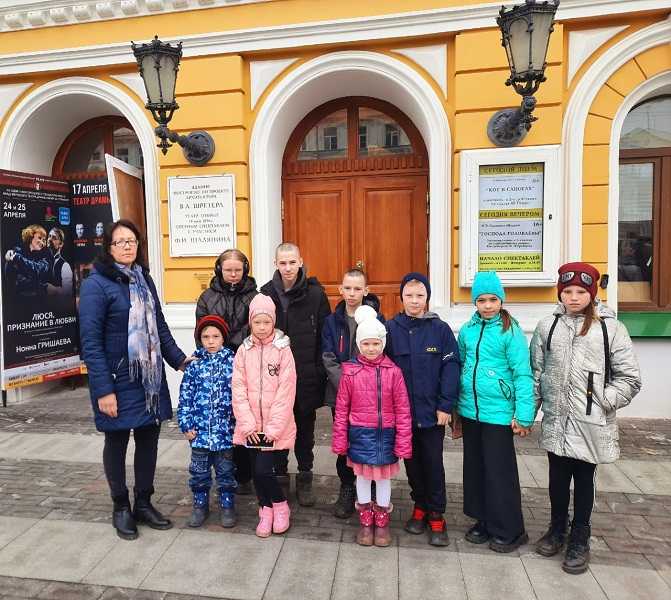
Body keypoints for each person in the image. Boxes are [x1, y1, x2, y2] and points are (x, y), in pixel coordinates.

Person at [79, 219, 190, 541]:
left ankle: (143, 503)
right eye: (121, 242)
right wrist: (103, 390)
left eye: (132, 241)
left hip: (148, 379)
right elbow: (91, 342)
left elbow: (160, 326)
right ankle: (120, 507)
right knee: (116, 440)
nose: (128, 246)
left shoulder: (144, 278)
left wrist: (180, 360)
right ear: (109, 248)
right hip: (115, 379)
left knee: (148, 441)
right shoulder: (95, 284)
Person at [531, 262, 642, 574]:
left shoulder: (610, 328)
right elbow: (536, 373)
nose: (574, 297)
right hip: (556, 419)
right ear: (560, 293)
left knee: (583, 480)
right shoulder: (547, 326)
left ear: (592, 293)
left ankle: (580, 534)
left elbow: (629, 379)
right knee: (556, 479)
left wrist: (601, 400)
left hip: (590, 420)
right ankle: (557, 528)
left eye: (581, 291)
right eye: (568, 291)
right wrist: (528, 414)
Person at [457, 271, 535, 553]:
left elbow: (523, 374)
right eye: (481, 300)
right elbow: (462, 365)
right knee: (476, 469)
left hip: (499, 413)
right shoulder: (467, 330)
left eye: (493, 299)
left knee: (499, 472)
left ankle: (511, 529)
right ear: (474, 302)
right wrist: (456, 406)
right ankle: (484, 521)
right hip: (471, 411)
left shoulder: (509, 330)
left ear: (501, 300)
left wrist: (524, 414)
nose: (487, 305)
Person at [385, 272, 460, 546]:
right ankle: (420, 507)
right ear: (401, 297)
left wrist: (445, 405)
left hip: (432, 415)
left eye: (420, 296)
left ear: (427, 298)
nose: (414, 301)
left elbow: (451, 367)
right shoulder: (392, 329)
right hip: (403, 415)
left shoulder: (439, 330)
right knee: (412, 464)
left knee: (433, 465)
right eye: (409, 296)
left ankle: (437, 516)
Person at [332, 305, 412, 547]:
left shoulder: (394, 372)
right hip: (360, 435)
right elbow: (342, 409)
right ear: (358, 344)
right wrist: (340, 439)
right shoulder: (350, 372)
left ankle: (382, 523)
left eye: (375, 343)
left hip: (385, 435)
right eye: (366, 343)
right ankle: (366, 522)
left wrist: (403, 442)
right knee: (363, 479)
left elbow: (403, 410)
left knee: (384, 481)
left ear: (383, 344)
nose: (371, 348)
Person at [260, 242, 330, 506]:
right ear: (276, 264)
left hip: (305, 376)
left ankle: (305, 477)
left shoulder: (315, 294)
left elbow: (325, 335)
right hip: (274, 378)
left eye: (292, 262)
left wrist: (318, 371)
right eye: (282, 262)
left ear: (300, 261)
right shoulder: (265, 294)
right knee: (276, 427)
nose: (288, 268)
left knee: (304, 431)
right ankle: (280, 476)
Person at [232, 294, 297, 538]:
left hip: (273, 426)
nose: (261, 327)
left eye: (266, 322)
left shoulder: (282, 350)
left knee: (263, 470)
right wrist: (246, 422)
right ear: (250, 322)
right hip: (250, 426)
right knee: (255, 471)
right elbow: (238, 387)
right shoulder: (243, 350)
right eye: (257, 322)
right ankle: (265, 509)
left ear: (274, 322)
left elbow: (287, 389)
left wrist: (274, 427)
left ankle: (280, 506)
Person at [322, 268, 384, 518]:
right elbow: (328, 356)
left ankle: (367, 488)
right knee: (345, 441)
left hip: (369, 395)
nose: (352, 293)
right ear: (340, 289)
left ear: (366, 291)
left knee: (367, 439)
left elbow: (381, 353)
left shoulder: (378, 320)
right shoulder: (331, 321)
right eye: (347, 288)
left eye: (358, 288)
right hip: (341, 393)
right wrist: (348, 386)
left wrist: (366, 387)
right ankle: (347, 486)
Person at [196, 249, 258, 494]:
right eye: (228, 269)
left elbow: (256, 326)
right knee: (221, 419)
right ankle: (224, 472)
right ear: (219, 269)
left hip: (246, 364)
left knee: (244, 418)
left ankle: (245, 475)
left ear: (245, 270)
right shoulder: (207, 297)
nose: (233, 274)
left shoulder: (255, 296)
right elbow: (203, 329)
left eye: (238, 270)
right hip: (216, 366)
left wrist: (233, 344)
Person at [178, 315, 237, 529]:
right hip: (200, 433)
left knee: (226, 472)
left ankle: (227, 503)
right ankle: (200, 504)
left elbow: (239, 396)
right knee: (199, 472)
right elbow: (185, 397)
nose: (211, 341)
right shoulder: (194, 366)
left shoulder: (233, 362)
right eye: (205, 337)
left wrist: (236, 424)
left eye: (215, 336)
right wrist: (186, 425)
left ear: (223, 338)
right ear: (200, 339)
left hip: (224, 433)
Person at [4, 224, 51, 298]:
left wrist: (17, 258)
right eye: (39, 238)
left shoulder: (45, 258)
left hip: (39, 299)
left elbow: (37, 270)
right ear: (30, 236)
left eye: (44, 240)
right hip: (18, 299)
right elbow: (15, 280)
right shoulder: (16, 251)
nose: (42, 242)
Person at [46, 227, 73, 297]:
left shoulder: (65, 266)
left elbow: (68, 293)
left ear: (61, 244)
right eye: (49, 236)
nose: (49, 239)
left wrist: (53, 290)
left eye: (54, 238)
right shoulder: (41, 261)